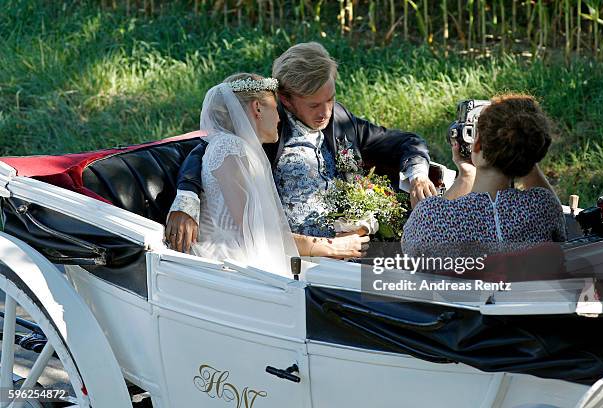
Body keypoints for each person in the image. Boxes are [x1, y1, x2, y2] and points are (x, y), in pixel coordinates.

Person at [166, 42, 436, 256]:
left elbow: (405, 141)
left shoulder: (340, 119)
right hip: (296, 251)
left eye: (330, 99)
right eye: (314, 105)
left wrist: (418, 175)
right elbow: (210, 146)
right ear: (286, 99)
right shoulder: (267, 124)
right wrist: (186, 200)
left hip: (354, 243)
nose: (325, 112)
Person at [402, 94, 566, 257]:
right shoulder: (544, 208)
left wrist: (465, 177)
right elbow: (561, 232)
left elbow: (410, 252)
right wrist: (521, 152)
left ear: (477, 144)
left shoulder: (431, 217)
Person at [190, 73, 300, 275]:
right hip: (227, 262)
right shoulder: (229, 146)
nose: (279, 118)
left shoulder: (244, 148)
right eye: (276, 109)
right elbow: (249, 227)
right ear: (257, 108)